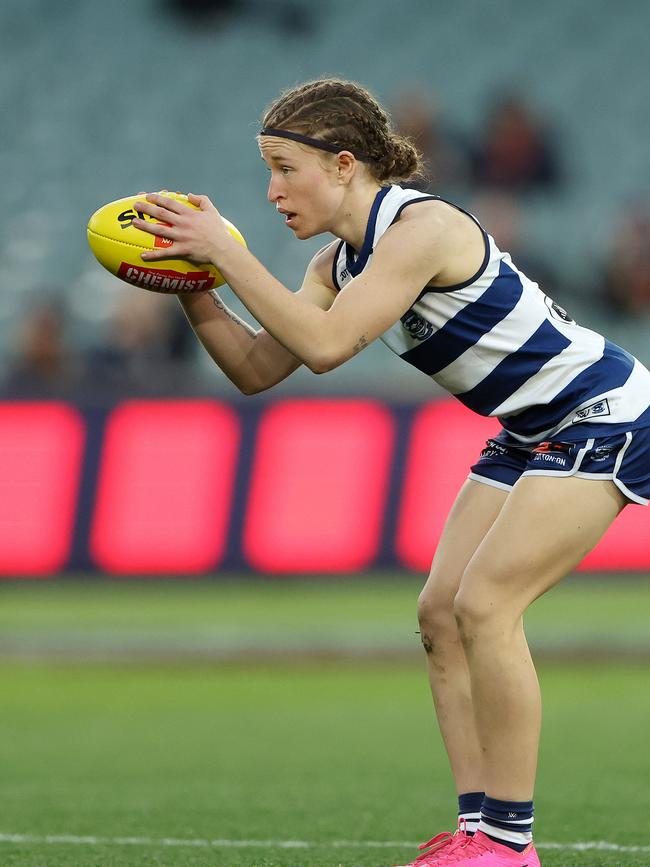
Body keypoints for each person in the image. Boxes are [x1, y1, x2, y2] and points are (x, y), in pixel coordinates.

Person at [130, 78, 650, 867]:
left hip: (602, 411)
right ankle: (477, 835)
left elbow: (329, 345)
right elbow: (258, 367)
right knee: (440, 613)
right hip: (530, 426)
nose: (271, 191)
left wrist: (227, 254)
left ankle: (508, 847)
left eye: (284, 167)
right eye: (266, 170)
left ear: (344, 164)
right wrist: (191, 287)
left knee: (486, 605)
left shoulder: (423, 226)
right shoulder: (338, 262)